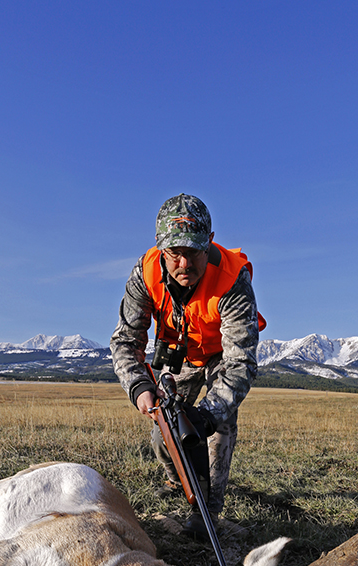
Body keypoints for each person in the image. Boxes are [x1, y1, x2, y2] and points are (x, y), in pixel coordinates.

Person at [110, 194, 265, 538]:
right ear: (159, 248)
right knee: (163, 430)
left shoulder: (232, 279)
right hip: (180, 353)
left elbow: (241, 361)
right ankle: (176, 476)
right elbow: (125, 341)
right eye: (174, 253)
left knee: (219, 425)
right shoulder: (144, 274)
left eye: (193, 251)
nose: (184, 263)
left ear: (208, 243)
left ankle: (207, 510)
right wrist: (139, 387)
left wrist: (208, 414)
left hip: (221, 355)